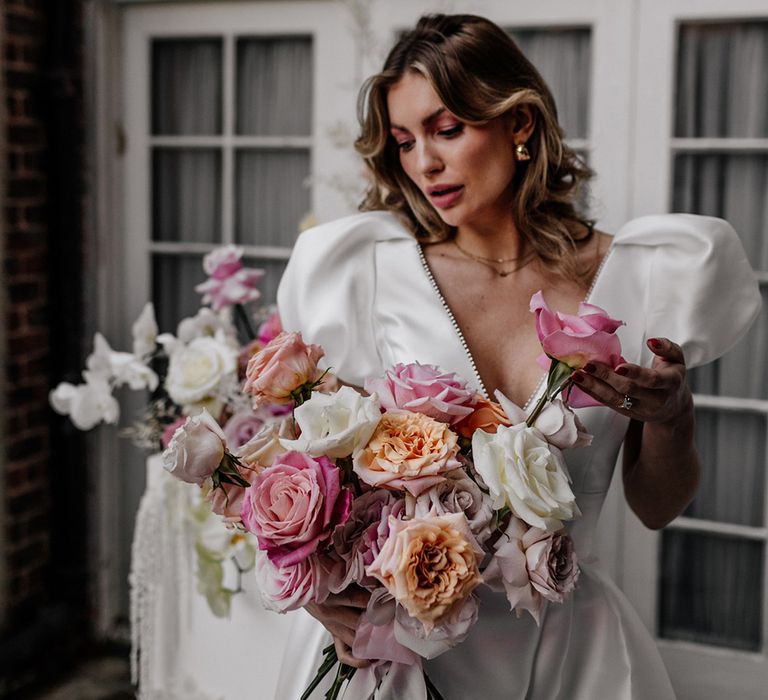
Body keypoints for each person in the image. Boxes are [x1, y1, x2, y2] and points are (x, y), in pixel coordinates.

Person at [275, 13, 761, 699]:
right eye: (406, 141)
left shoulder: (644, 275)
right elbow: (300, 486)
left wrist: (674, 416)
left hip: (565, 655)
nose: (424, 163)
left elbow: (656, 506)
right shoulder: (366, 274)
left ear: (520, 124)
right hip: (393, 654)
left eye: (447, 130)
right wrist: (320, 598)